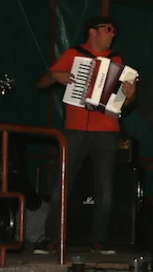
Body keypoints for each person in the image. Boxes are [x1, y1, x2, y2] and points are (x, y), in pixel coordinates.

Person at [36, 15, 137, 254]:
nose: (112, 34)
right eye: (108, 29)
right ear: (92, 31)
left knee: (105, 188)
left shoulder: (117, 60)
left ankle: (99, 239)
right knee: (63, 184)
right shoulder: (73, 54)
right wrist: (55, 76)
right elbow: (42, 83)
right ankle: (51, 237)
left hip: (107, 130)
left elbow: (124, 103)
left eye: (114, 31)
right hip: (75, 128)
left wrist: (130, 93)